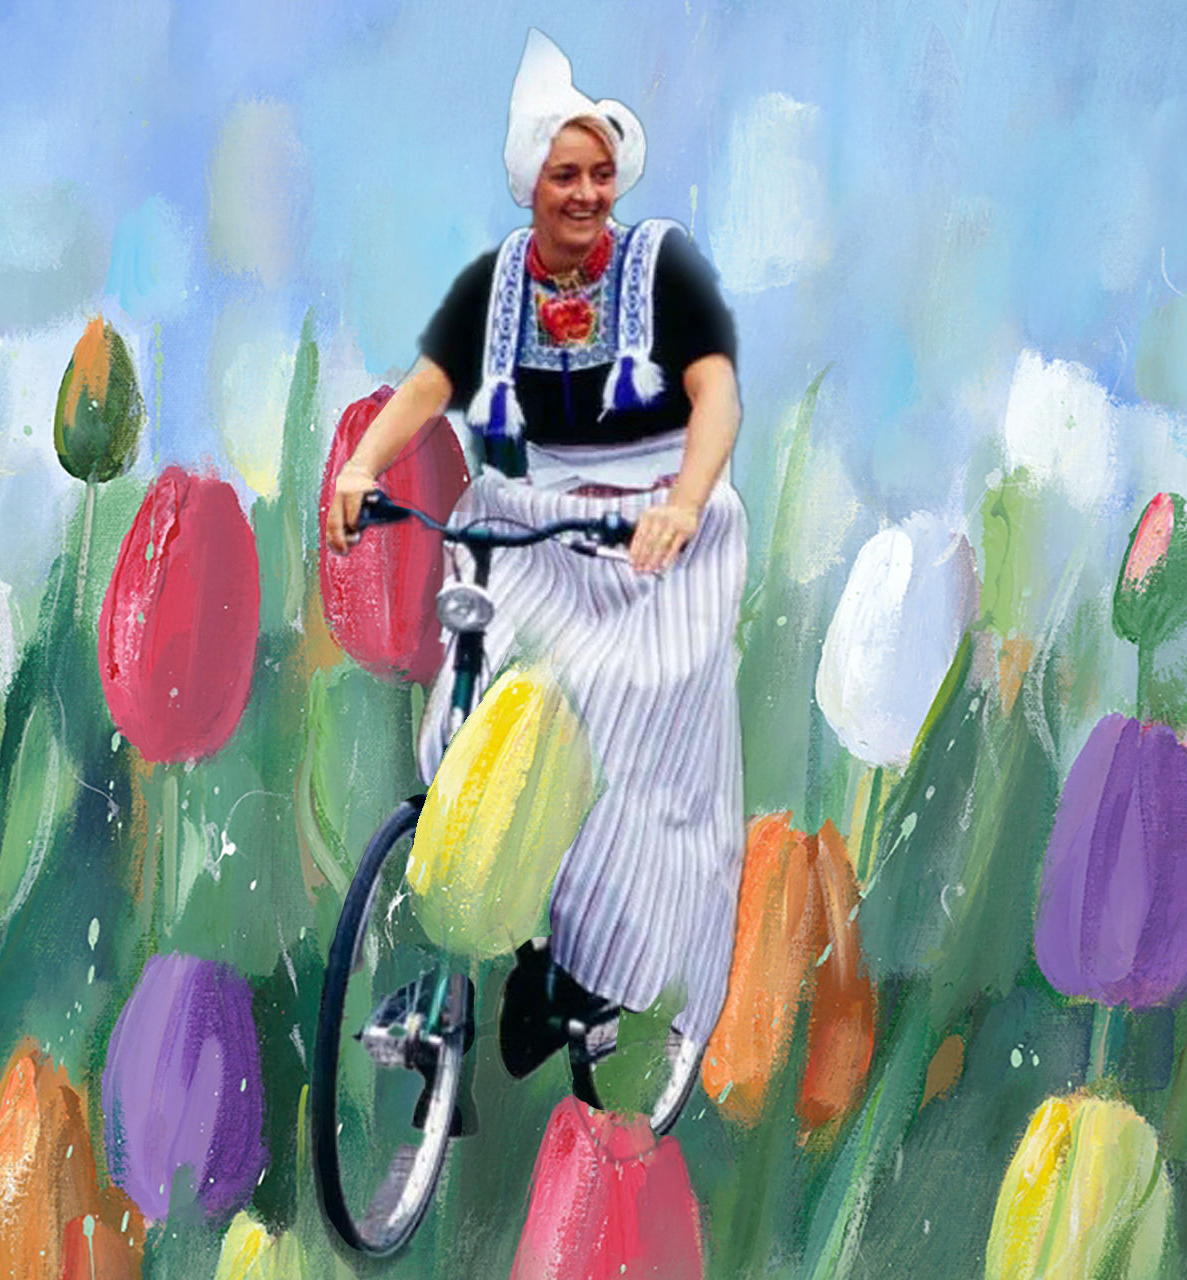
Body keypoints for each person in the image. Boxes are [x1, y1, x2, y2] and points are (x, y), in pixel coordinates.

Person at [324, 29, 746, 1066]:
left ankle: (594, 966)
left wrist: (685, 500)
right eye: (566, 174)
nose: (588, 193)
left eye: (602, 173)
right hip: (539, 516)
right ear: (530, 185)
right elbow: (431, 388)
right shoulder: (496, 286)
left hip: (655, 523)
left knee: (630, 720)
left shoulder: (662, 268)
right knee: (469, 720)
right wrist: (361, 468)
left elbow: (716, 393)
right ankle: (477, 927)